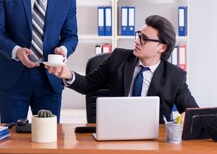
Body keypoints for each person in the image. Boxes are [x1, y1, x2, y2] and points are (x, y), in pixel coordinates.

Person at [46, 15, 199, 124]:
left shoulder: (175, 76)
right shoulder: (118, 58)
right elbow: (88, 84)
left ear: (162, 47)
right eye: (139, 35)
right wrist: (67, 74)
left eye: (144, 39)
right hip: (115, 130)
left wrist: (188, 117)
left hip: (155, 140)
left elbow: (194, 114)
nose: (137, 41)